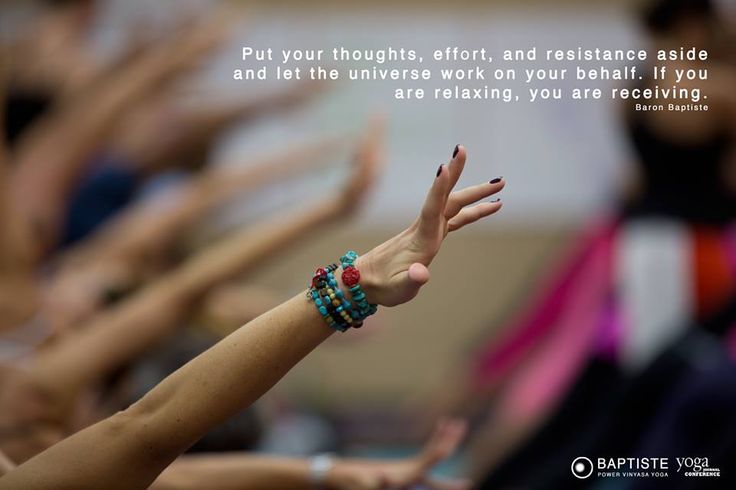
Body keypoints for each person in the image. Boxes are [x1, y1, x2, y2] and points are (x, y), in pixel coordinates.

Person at [0, 144, 505, 489]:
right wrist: (352, 281)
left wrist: (325, 473)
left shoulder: (31, 397)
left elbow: (159, 464)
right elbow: (146, 437)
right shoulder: (28, 399)